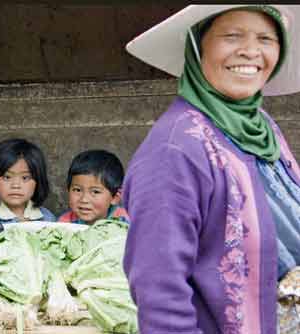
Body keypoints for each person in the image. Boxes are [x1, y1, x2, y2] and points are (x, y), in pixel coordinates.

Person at [122, 5, 300, 334]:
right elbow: (159, 289)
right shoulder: (175, 150)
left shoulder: (262, 128)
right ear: (198, 45)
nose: (251, 51)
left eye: (266, 38)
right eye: (232, 36)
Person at [0, 138, 55, 224]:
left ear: (38, 181)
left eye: (25, 178)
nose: (16, 185)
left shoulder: (47, 218)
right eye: (7, 177)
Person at [58, 149, 130, 225]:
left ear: (115, 198)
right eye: (78, 190)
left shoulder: (125, 222)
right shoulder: (64, 224)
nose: (84, 199)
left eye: (95, 192)